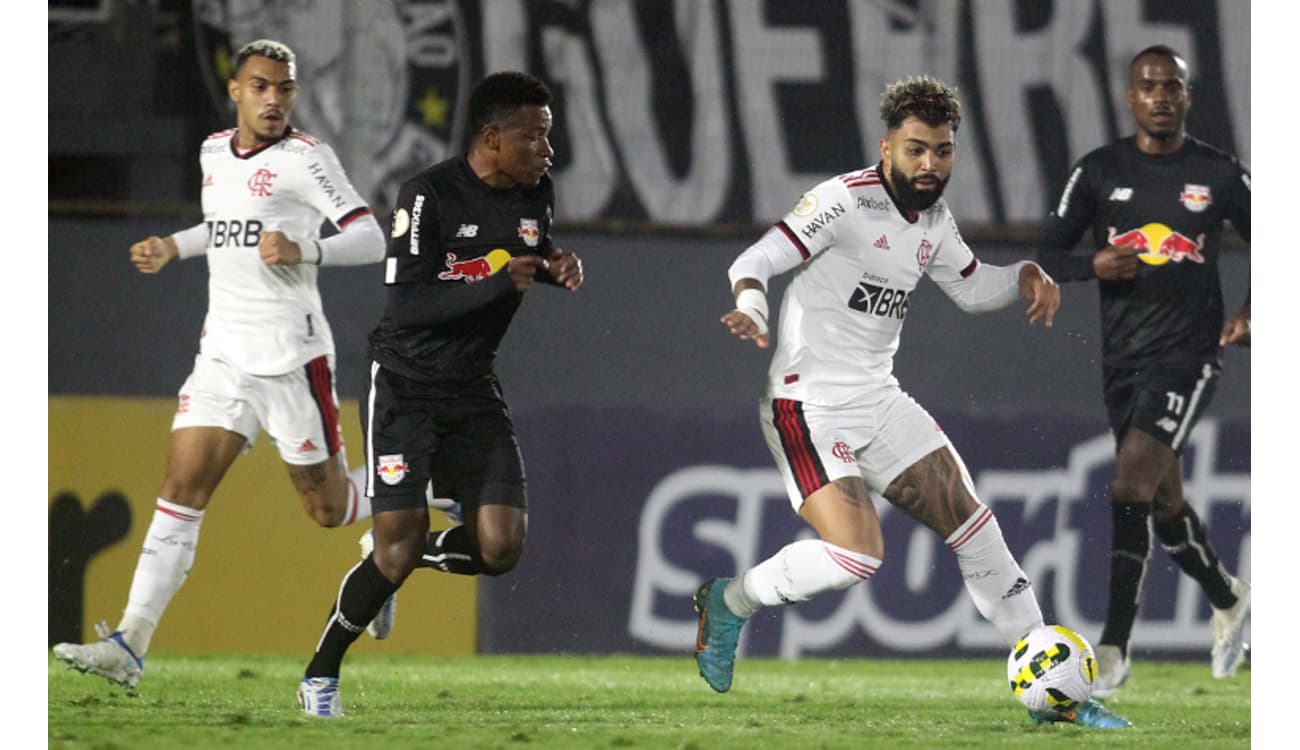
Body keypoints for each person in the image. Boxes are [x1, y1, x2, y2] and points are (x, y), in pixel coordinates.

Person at [694, 75, 1130, 729]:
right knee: (857, 557)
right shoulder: (843, 202)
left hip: (880, 401)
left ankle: (1058, 697)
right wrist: (752, 304)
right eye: (917, 150)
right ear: (887, 146)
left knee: (974, 526)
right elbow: (759, 256)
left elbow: (972, 287)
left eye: (943, 151)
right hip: (806, 408)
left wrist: (1025, 277)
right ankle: (732, 602)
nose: (930, 166)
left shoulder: (933, 219)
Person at [50, 39, 393, 690]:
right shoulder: (214, 152)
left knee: (327, 509)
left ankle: (418, 490)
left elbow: (371, 236)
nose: (274, 99)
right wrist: (173, 247)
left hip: (292, 358)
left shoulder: (306, 159)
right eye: (261, 87)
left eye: (285, 89)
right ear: (235, 90)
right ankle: (131, 643)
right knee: (180, 491)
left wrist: (305, 249)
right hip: (223, 356)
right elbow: (224, 225)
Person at [295, 70, 583, 718]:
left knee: (500, 548)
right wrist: (501, 282)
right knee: (396, 547)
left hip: (473, 388)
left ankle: (398, 554)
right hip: (405, 387)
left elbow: (525, 253)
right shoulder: (426, 196)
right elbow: (409, 304)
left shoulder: (537, 192)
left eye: (548, 136)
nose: (547, 150)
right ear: (492, 137)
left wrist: (558, 266)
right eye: (535, 136)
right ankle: (320, 675)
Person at [1036, 44, 1251, 698]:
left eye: (1173, 86)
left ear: (1188, 95)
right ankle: (1230, 599)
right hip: (1123, 361)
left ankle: (1115, 646)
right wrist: (1089, 266)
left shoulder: (1218, 173)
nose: (1160, 96)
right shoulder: (1100, 171)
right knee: (1162, 503)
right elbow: (1047, 253)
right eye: (1148, 86)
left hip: (1190, 355)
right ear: (1130, 96)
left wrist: (1253, 311)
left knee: (1129, 483)